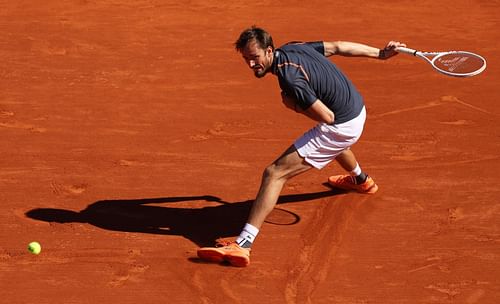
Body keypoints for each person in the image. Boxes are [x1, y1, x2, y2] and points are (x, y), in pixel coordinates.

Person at [197, 26, 406, 267]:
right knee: (327, 142)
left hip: (341, 124)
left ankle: (244, 244)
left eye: (255, 58)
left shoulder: (291, 80)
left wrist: (293, 106)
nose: (252, 65)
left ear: (268, 51)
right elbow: (338, 46)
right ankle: (361, 180)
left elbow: (327, 118)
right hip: (357, 108)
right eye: (246, 59)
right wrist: (380, 54)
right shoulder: (294, 47)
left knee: (274, 173)